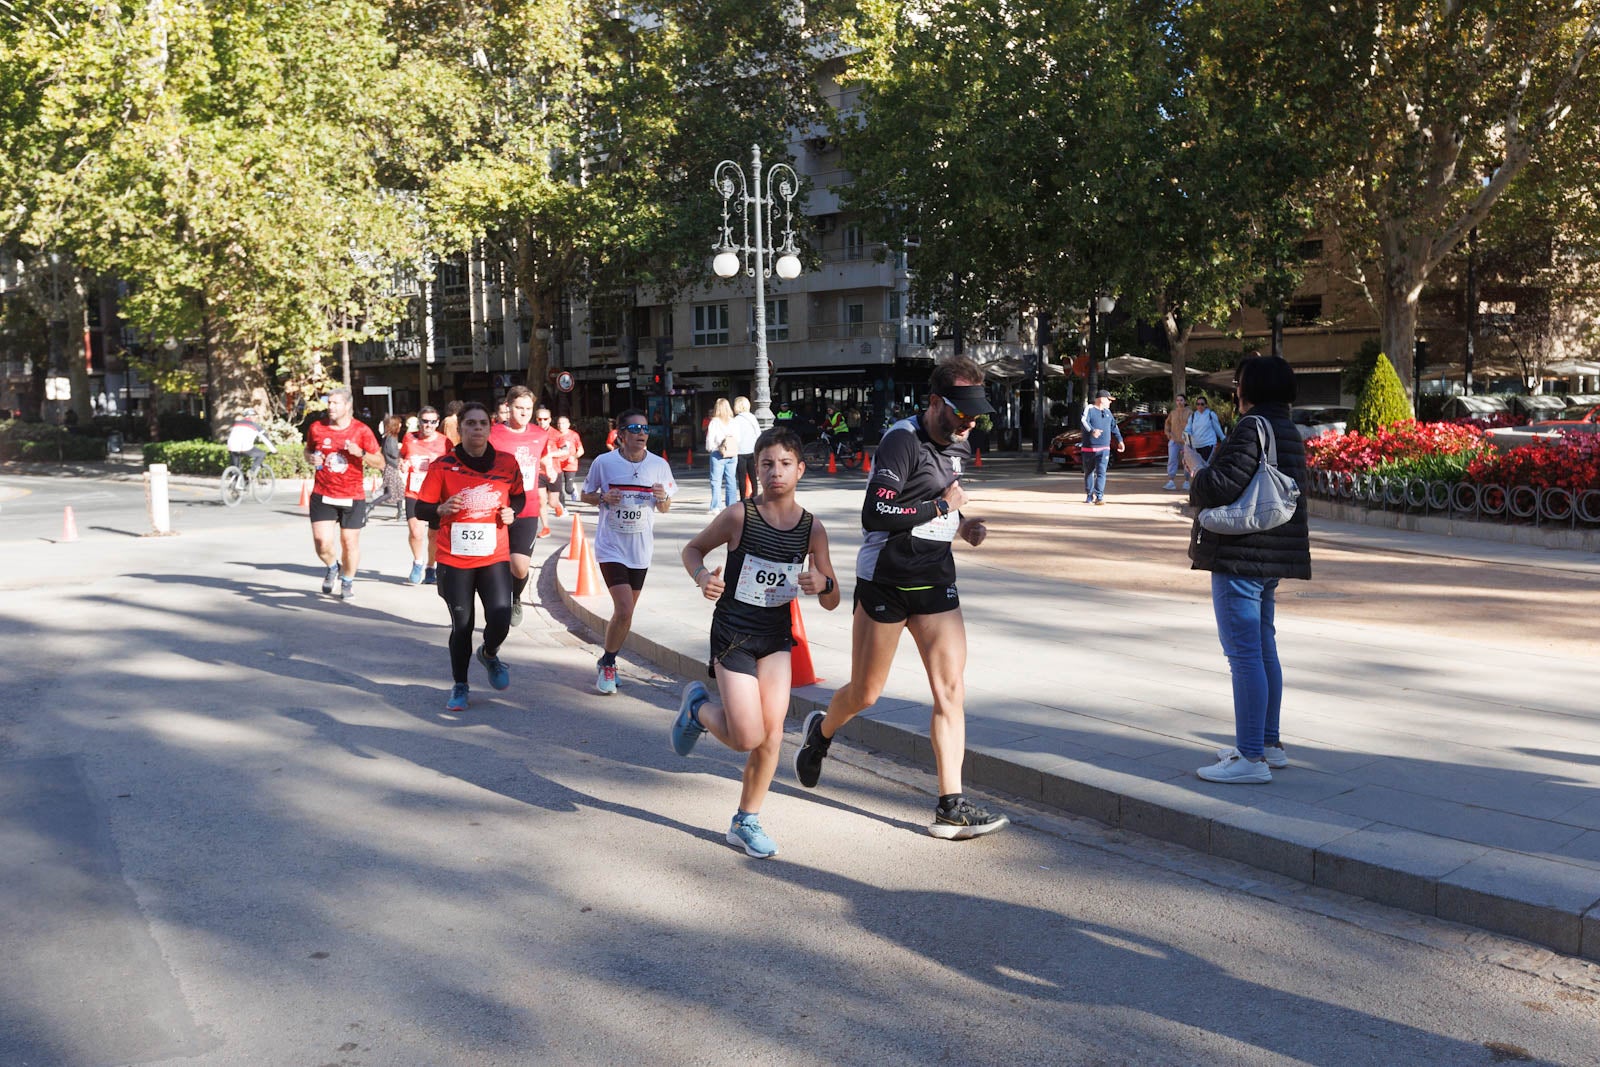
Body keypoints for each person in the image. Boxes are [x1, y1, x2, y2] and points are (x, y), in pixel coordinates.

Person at [792, 356, 1008, 840]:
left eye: (975, 414)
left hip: (934, 581)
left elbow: (933, 511)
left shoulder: (957, 446)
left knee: (951, 690)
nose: (969, 423)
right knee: (866, 693)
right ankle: (821, 731)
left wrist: (961, 525)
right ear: (935, 402)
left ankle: (950, 805)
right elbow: (878, 513)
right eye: (961, 412)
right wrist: (942, 506)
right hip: (886, 581)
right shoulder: (901, 440)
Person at [675, 427, 841, 858]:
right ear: (756, 469)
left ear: (800, 469)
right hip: (733, 633)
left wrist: (822, 582)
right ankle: (698, 708)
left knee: (771, 734)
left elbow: (832, 598)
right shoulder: (739, 516)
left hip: (776, 638)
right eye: (766, 464)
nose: (775, 472)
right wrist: (702, 578)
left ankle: (746, 820)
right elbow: (692, 550)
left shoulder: (811, 529)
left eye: (785, 463)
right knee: (746, 735)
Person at [1186, 356, 1310, 784]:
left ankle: (1251, 758)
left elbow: (1220, 485)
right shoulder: (1288, 428)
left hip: (1241, 553)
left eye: (1237, 383)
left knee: (1244, 656)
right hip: (1272, 553)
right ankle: (1268, 745)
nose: (1235, 390)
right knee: (1263, 648)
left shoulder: (1251, 427)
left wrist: (1196, 472)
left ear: (1249, 388)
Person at [414, 402, 522, 712]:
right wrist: (439, 509)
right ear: (459, 428)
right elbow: (421, 507)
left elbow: (518, 496)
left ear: (490, 428)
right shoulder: (442, 465)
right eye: (470, 424)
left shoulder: (507, 463)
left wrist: (511, 511)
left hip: (494, 555)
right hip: (454, 558)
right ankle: (460, 684)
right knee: (462, 625)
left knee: (501, 617)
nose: (477, 429)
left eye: (482, 423)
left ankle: (489, 654)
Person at [580, 409, 677, 694]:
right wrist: (601, 497)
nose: (641, 434)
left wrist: (663, 498)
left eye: (645, 429)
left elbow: (666, 507)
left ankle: (606, 658)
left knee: (626, 613)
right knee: (623, 608)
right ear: (620, 435)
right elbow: (586, 494)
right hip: (611, 546)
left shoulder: (659, 465)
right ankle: (609, 664)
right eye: (634, 429)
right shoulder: (604, 462)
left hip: (640, 547)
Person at [304, 387, 382, 600]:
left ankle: (347, 581)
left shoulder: (362, 431)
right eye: (329, 403)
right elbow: (308, 450)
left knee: (349, 542)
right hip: (323, 492)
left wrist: (361, 453)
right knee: (321, 542)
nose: (330, 407)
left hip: (352, 494)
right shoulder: (317, 428)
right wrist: (310, 458)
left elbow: (381, 462)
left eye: (335, 403)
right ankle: (332, 566)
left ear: (348, 406)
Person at [489, 386, 554, 627]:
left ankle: (515, 596)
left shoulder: (540, 434)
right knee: (494, 563)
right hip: (496, 508)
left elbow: (544, 455)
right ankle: (497, 604)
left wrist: (551, 468)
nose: (524, 412)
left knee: (519, 565)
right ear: (508, 407)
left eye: (528, 408)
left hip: (527, 507)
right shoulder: (493, 433)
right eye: (519, 408)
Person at [401, 405, 451, 585]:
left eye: (432, 422)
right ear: (419, 422)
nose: (428, 425)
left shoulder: (445, 442)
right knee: (416, 532)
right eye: (425, 421)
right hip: (414, 492)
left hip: (436, 495)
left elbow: (452, 465)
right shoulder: (409, 438)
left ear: (437, 423)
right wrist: (403, 464)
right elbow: (403, 457)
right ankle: (417, 563)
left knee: (434, 535)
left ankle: (431, 566)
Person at [1079, 389, 1125, 505]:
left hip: (1104, 448)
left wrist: (1120, 440)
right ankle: (1089, 495)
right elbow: (1084, 421)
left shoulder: (1108, 412)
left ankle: (1099, 496)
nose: (1110, 402)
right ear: (1102, 399)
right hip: (1089, 448)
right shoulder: (1089, 408)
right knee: (1089, 472)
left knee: (1101, 472)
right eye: (1109, 400)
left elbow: (1114, 427)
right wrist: (1092, 431)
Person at [705, 398, 739, 511]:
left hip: (718, 453)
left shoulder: (714, 422)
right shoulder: (733, 421)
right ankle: (732, 505)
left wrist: (710, 449)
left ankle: (716, 506)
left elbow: (710, 439)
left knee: (716, 481)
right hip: (732, 453)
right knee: (731, 480)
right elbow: (738, 438)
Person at [224, 407, 277, 475]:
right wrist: (274, 450)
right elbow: (265, 439)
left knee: (236, 468)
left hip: (231, 446)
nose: (256, 418)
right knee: (261, 454)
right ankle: (251, 472)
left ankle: (235, 480)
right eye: (255, 416)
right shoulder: (255, 426)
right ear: (252, 416)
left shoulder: (236, 424)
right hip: (245, 447)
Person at [536, 406, 568, 518]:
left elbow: (565, 451)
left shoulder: (556, 434)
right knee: (541, 501)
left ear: (549, 419)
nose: (542, 421)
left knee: (552, 502)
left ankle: (558, 506)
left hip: (554, 471)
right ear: (536, 420)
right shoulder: (533, 433)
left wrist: (550, 454)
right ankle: (545, 528)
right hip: (539, 472)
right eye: (540, 419)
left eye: (545, 419)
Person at [374, 415, 406, 517]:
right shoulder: (391, 438)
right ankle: (369, 506)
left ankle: (400, 512)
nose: (401, 425)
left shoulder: (388, 437)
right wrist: (399, 450)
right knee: (390, 493)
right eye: (399, 423)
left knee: (399, 489)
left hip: (390, 466)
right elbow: (392, 453)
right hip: (391, 467)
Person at [732, 396, 760, 500]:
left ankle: (743, 497)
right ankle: (755, 495)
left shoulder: (736, 420)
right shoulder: (752, 417)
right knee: (753, 476)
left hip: (740, 451)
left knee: (741, 477)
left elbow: (735, 436)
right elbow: (758, 433)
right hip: (752, 450)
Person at [1184, 395, 1225, 465]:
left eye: (1202, 404)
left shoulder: (1211, 414)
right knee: (1198, 466)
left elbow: (1217, 428)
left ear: (1206, 405)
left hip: (1208, 444)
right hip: (1196, 445)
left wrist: (1223, 439)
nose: (1200, 406)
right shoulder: (1193, 416)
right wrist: (1186, 439)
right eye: (1198, 404)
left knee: (1205, 465)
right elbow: (1188, 429)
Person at [554, 414, 585, 504]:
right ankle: (561, 505)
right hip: (558, 464)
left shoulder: (574, 435)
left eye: (563, 423)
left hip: (570, 464)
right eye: (559, 423)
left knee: (568, 488)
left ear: (568, 424)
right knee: (557, 486)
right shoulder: (555, 435)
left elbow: (581, 450)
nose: (560, 425)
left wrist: (574, 457)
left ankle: (572, 490)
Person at [1164, 394, 1190, 491]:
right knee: (1172, 460)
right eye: (1177, 400)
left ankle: (1187, 481)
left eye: (1181, 400)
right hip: (1174, 440)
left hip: (1186, 441)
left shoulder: (1190, 413)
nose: (1179, 402)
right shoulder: (1173, 413)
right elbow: (1167, 424)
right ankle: (1171, 481)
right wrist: (1168, 434)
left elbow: (1193, 426)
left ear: (1185, 401)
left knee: (1187, 461)